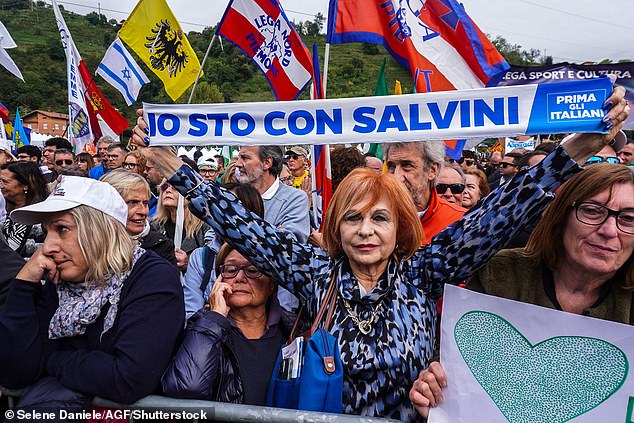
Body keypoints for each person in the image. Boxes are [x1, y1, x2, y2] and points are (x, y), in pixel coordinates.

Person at [136, 89, 629, 419]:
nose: (366, 232)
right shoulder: (314, 273)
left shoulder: (424, 272)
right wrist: (174, 169)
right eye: (353, 218)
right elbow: (241, 224)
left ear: (400, 228)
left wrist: (572, 152)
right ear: (335, 227)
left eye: (380, 218)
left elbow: (496, 216)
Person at [409, 163, 634, 418]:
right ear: (561, 217)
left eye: (629, 218)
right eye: (592, 212)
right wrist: (435, 390)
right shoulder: (502, 273)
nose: (609, 230)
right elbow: (457, 369)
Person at [0, 176, 184, 404]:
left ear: (100, 230)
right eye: (47, 232)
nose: (47, 247)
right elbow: (16, 373)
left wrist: (54, 360)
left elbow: (127, 378)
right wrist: (24, 284)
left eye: (62, 229)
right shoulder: (59, 281)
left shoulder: (152, 278)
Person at [162, 243, 298, 405]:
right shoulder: (204, 326)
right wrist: (216, 316)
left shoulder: (292, 330)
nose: (239, 278)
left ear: (272, 284)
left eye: (253, 270)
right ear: (220, 278)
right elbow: (187, 386)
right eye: (231, 270)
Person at [182, 182, 265, 319]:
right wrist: (215, 316)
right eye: (218, 209)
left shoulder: (270, 257)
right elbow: (190, 315)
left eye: (251, 271)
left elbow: (282, 308)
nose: (223, 216)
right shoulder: (202, 257)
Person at [385, 141, 465, 245]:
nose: (396, 176)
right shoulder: (370, 216)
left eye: (407, 166)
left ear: (432, 170)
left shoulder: (460, 220)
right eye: (391, 167)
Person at [100, 169, 177, 267]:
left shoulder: (161, 247)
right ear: (107, 204)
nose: (143, 211)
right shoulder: (85, 244)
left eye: (145, 203)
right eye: (132, 202)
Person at [151, 181, 209, 273]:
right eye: (165, 186)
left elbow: (212, 263)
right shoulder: (154, 226)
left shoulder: (204, 227)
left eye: (175, 187)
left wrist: (189, 263)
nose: (168, 190)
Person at [1, 161, 48, 257]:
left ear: (25, 185)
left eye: (5, 182)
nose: (1, 186)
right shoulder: (10, 211)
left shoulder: (43, 216)